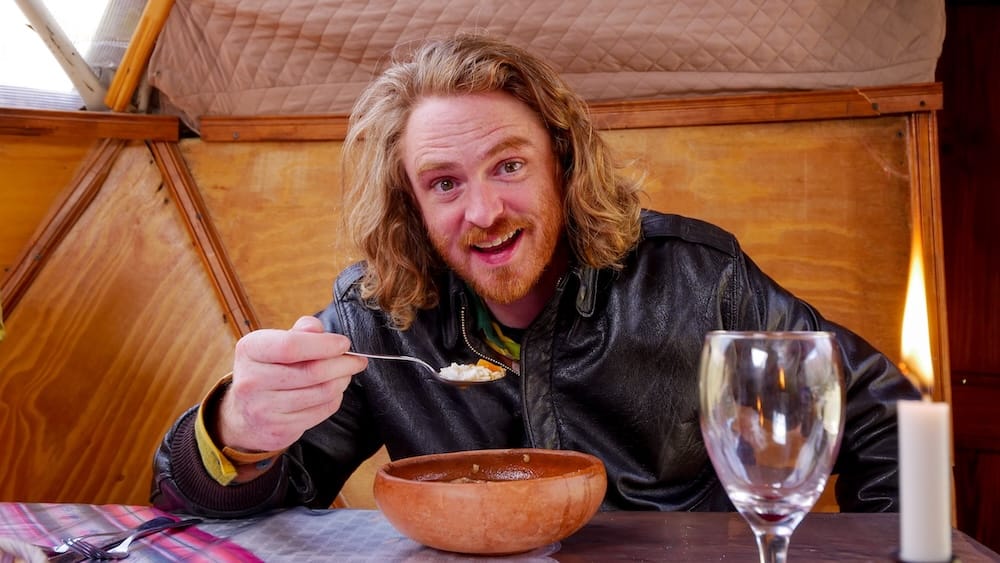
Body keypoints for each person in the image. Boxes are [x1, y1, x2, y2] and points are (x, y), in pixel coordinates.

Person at [151, 34, 919, 517]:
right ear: (412, 204)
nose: (484, 210)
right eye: (444, 183)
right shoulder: (377, 317)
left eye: (509, 165)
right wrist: (236, 433)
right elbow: (201, 507)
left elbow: (881, 411)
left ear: (562, 163)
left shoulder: (697, 280)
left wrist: (878, 549)